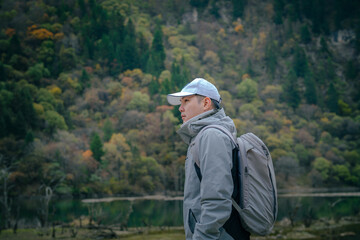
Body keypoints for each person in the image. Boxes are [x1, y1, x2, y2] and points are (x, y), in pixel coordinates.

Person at [167, 78, 250, 240]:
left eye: (186, 100)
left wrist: (202, 237)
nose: (180, 108)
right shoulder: (204, 136)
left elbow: (217, 198)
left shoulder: (212, 136)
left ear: (205, 103)